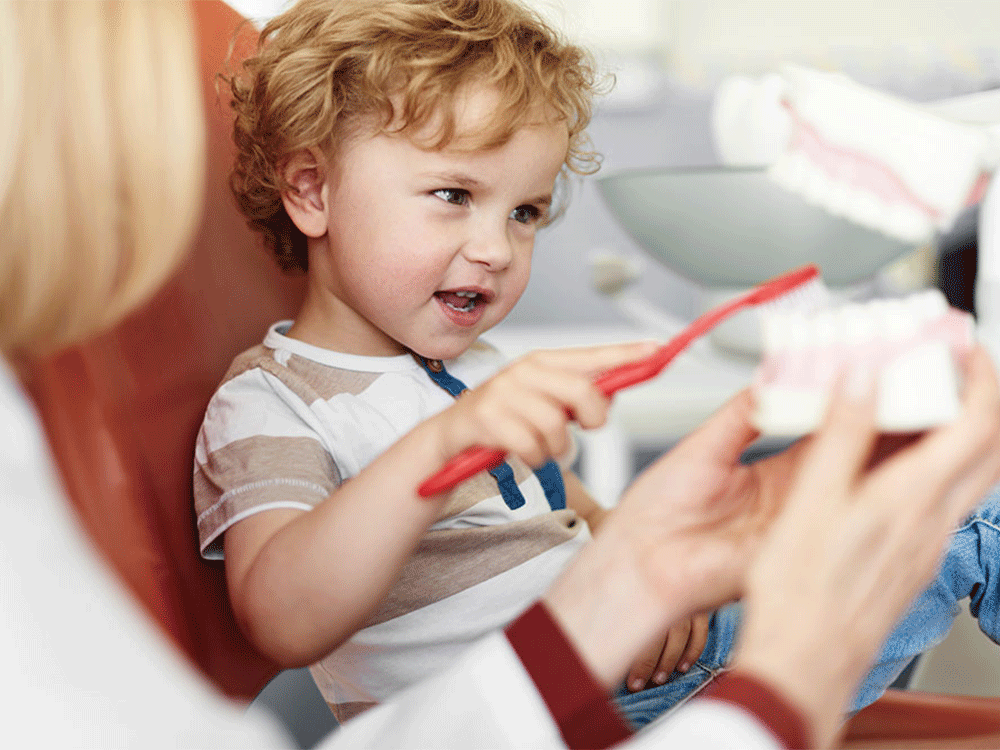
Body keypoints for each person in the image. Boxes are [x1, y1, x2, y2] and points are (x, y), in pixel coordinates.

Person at [4, 2, 1000, 748]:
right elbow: (283, 610)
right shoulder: (269, 401)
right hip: (586, 705)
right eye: (452, 196)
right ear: (310, 191)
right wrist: (441, 448)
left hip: (643, 662)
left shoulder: (462, 373)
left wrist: (646, 572)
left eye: (523, 213)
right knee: (963, 507)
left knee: (917, 460)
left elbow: (559, 512)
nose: (495, 247)